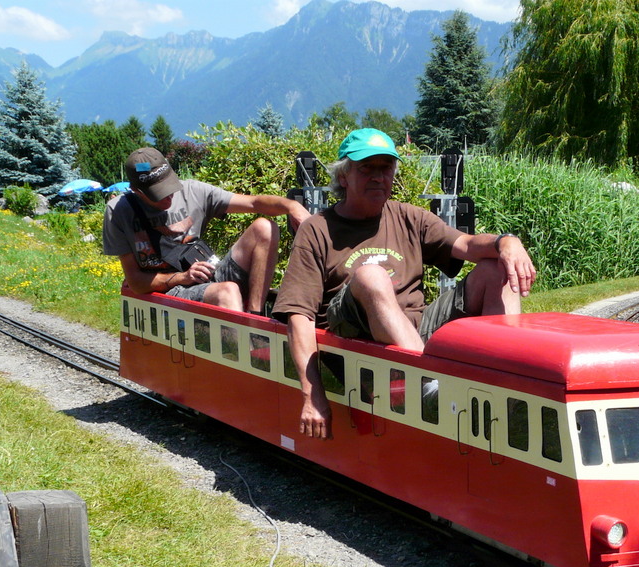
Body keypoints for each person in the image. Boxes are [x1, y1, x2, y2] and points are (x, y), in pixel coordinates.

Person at [272, 127, 536, 439]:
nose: (377, 176)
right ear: (344, 176)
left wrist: (507, 242)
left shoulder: (409, 217)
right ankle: (430, 387)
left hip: (416, 330)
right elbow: (298, 316)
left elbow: (465, 244)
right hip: (356, 338)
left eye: (386, 168)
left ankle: (507, 389)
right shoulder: (317, 230)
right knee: (371, 274)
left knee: (495, 268)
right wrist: (312, 394)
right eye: (366, 168)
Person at [103, 147, 311, 314]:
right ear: (136, 191)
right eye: (159, 193)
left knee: (264, 228)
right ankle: (246, 351)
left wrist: (292, 207)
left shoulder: (193, 190)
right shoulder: (119, 212)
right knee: (227, 291)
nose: (169, 197)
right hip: (171, 288)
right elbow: (137, 283)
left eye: (169, 186)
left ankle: (255, 317)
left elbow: (255, 203)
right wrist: (182, 277)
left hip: (205, 272)